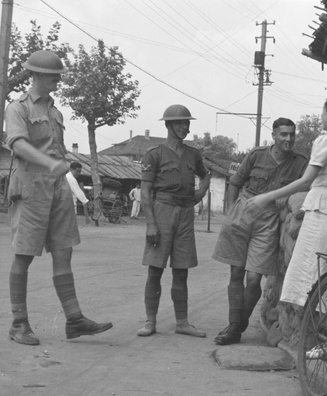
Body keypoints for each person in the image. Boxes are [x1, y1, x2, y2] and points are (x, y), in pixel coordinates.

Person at [4, 50, 113, 345]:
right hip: (30, 188)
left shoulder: (56, 111)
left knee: (64, 252)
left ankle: (74, 320)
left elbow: (59, 150)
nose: (58, 80)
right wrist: (49, 163)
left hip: (57, 188)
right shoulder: (18, 108)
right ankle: (18, 323)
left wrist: (59, 168)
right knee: (24, 255)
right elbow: (17, 145)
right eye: (54, 75)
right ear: (37, 75)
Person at [248, 94, 327, 308]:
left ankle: (322, 335)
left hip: (319, 212)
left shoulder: (326, 140)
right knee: (323, 273)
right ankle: (321, 333)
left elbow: (306, 181)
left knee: (314, 276)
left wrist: (267, 196)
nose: (321, 115)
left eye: (323, 111)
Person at [212, 118, 308, 345]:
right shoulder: (256, 155)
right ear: (273, 135)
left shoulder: (301, 162)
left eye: (292, 134)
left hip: (269, 220)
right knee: (236, 274)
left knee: (253, 279)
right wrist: (231, 212)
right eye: (283, 134)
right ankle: (234, 327)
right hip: (243, 212)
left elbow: (307, 184)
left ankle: (237, 325)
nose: (288, 139)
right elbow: (235, 182)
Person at [137, 104, 210, 338]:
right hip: (163, 211)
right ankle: (150, 321)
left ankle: (182, 322)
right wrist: (151, 223)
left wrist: (200, 193)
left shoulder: (193, 154)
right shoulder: (154, 154)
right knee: (155, 270)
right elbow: (145, 191)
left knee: (181, 271)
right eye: (179, 123)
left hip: (186, 213)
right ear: (168, 125)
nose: (184, 127)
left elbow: (205, 175)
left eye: (187, 123)